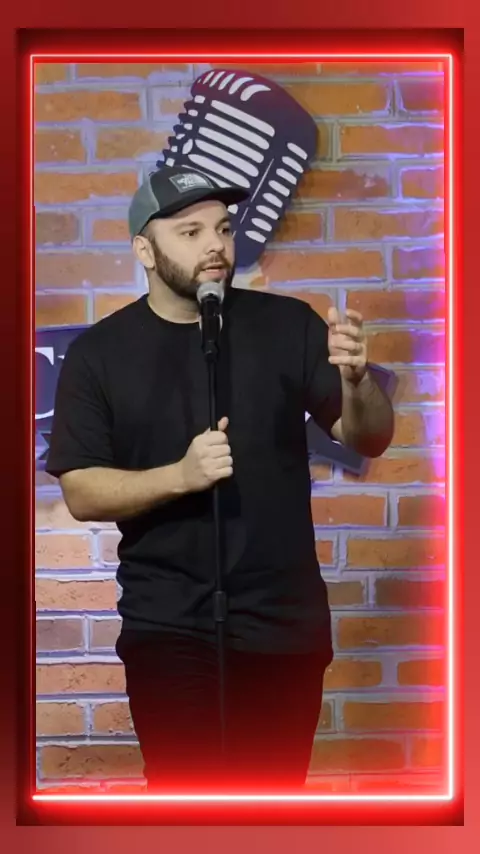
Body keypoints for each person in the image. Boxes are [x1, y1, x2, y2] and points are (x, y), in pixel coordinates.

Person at [46, 165, 394, 793]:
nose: (215, 245)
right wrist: (179, 476)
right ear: (144, 251)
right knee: (185, 810)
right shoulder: (99, 355)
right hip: (168, 627)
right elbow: (82, 490)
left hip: (282, 624)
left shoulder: (288, 326)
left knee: (272, 810)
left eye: (224, 229)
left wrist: (357, 382)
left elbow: (367, 436)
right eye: (191, 232)